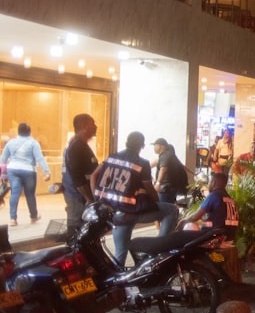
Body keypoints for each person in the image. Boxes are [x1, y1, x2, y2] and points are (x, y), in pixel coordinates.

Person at [93, 131, 180, 266]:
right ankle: (160, 248)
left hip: (114, 214)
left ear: (126, 142)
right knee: (171, 210)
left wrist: (96, 199)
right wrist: (154, 201)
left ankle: (117, 281)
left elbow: (94, 176)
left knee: (120, 253)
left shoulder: (111, 157)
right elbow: (150, 189)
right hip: (131, 211)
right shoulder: (142, 163)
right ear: (142, 146)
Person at [1, 122, 51, 226]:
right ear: (29, 132)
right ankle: (33, 216)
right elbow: (39, 158)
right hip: (29, 170)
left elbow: (3, 159)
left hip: (13, 170)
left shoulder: (11, 143)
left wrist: (3, 174)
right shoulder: (33, 143)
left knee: (15, 193)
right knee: (30, 194)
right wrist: (46, 171)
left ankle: (13, 219)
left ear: (18, 132)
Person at [61, 113, 100, 236]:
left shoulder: (80, 144)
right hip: (77, 198)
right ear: (85, 126)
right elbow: (77, 177)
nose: (96, 126)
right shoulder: (76, 146)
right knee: (77, 231)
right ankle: (74, 254)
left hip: (81, 197)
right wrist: (89, 199)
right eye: (93, 124)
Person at [178, 172, 238, 237]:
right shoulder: (230, 199)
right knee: (201, 223)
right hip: (230, 236)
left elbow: (195, 217)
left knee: (190, 225)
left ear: (213, 183)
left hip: (215, 234)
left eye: (209, 181)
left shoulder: (214, 195)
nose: (208, 184)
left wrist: (182, 222)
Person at [151, 137, 188, 204]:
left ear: (160, 146)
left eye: (155, 145)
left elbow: (163, 169)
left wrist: (158, 183)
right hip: (172, 187)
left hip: (165, 188)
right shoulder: (171, 157)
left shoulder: (164, 155)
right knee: (170, 206)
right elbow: (183, 167)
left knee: (163, 208)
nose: (154, 148)